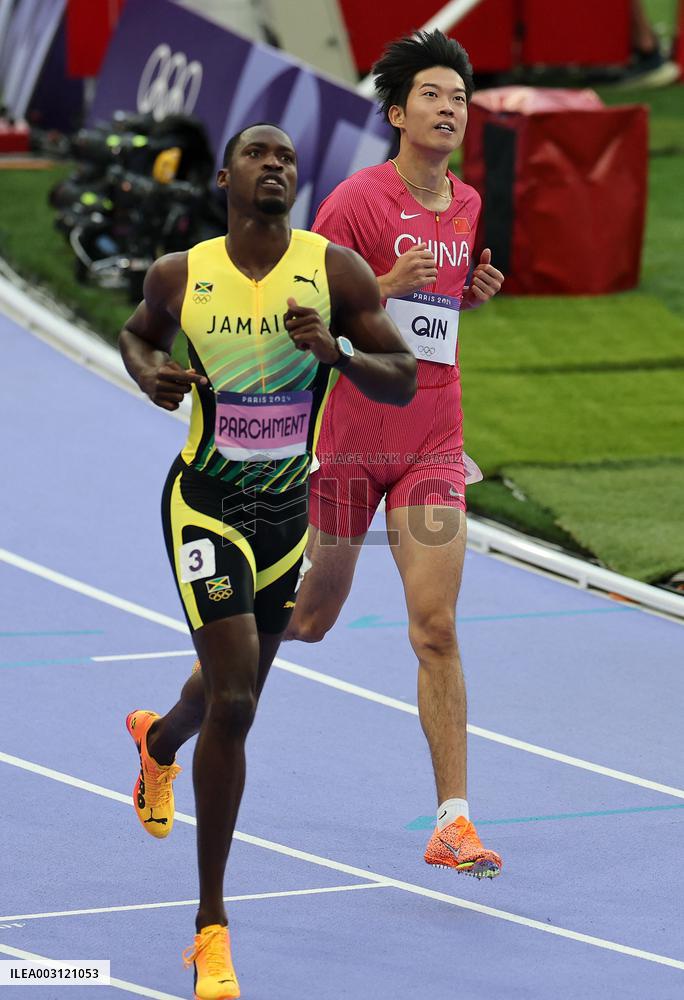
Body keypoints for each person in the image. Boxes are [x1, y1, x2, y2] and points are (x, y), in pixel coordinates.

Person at [119, 122, 416, 1000]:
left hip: (289, 513)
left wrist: (341, 352)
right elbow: (137, 334)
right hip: (206, 504)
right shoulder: (182, 273)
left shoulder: (334, 273)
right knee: (241, 699)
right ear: (226, 177)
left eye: (288, 157)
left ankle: (157, 741)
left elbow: (400, 373)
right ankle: (211, 929)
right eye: (260, 154)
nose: (277, 165)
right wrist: (149, 372)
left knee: (221, 691)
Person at [285, 30, 505, 879]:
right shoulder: (354, 203)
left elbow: (433, 326)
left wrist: (466, 299)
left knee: (437, 627)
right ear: (397, 112)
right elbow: (301, 315)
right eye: (434, 95)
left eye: (459, 96)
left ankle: (453, 819)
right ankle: (197, 694)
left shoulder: (468, 204)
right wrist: (380, 287)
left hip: (432, 443)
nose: (450, 108)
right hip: (349, 446)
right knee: (312, 617)